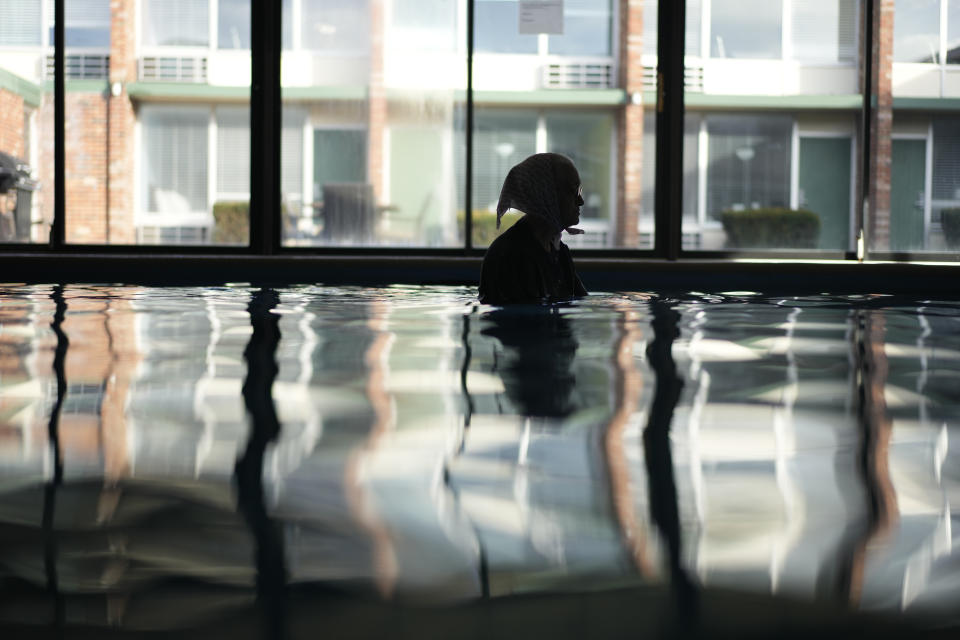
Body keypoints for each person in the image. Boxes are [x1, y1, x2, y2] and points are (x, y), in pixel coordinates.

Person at [478, 153, 588, 305]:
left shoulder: (560, 253)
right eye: (572, 191)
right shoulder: (511, 255)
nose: (580, 201)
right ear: (545, 194)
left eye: (579, 191)